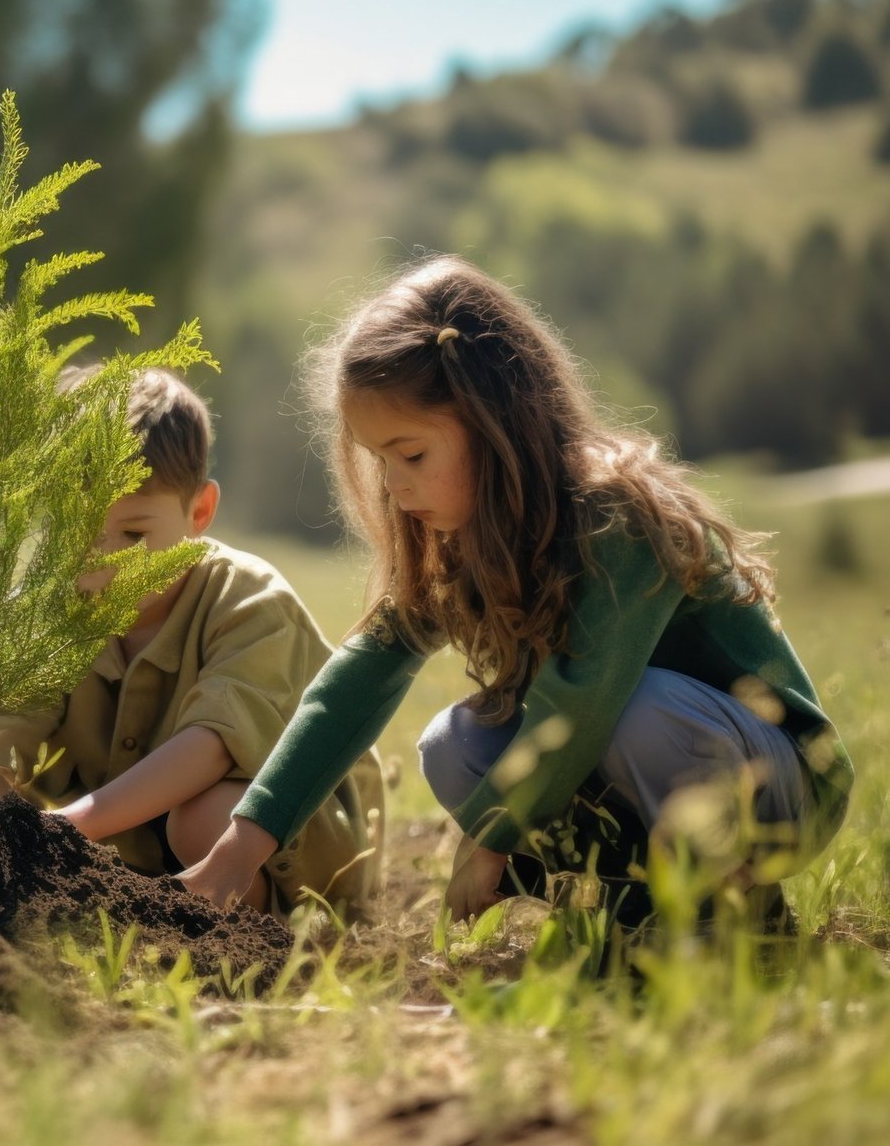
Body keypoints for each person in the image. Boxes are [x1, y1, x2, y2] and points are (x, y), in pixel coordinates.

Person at [179, 256, 852, 925]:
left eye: (411, 455)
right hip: (648, 760)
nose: (393, 485)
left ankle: (736, 908)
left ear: (496, 425)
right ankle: (625, 910)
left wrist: (489, 834)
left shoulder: (617, 515)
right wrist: (244, 844)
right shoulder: (464, 539)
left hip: (780, 789)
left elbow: (582, 700)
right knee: (456, 746)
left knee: (641, 710)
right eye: (378, 459)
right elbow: (355, 683)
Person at [0, 367, 384, 914]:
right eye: (75, 530)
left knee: (203, 820)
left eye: (134, 534)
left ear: (199, 512)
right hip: (130, 856)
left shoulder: (250, 600)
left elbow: (212, 748)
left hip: (294, 848)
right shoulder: (42, 612)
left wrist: (64, 831)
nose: (102, 558)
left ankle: (258, 936)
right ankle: (148, 910)